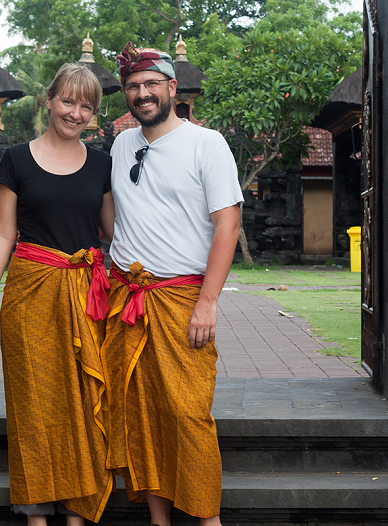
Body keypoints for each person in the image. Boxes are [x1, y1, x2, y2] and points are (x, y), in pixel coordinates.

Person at [103, 43, 243, 526]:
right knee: (140, 411)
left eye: (150, 85)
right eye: (132, 87)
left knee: (187, 413)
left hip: (181, 297)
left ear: (171, 88)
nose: (142, 94)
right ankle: (158, 520)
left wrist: (207, 303)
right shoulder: (121, 145)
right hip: (128, 298)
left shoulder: (208, 144)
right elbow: (113, 216)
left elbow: (228, 224)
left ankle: (207, 519)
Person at [0, 63, 115, 526]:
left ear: (94, 114)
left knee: (81, 398)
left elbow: (114, 231)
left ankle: (77, 511)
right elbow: (3, 232)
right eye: (68, 101)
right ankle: (37, 514)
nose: (75, 113)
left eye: (86, 106)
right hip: (30, 290)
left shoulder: (103, 163)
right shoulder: (16, 159)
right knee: (33, 401)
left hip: (85, 293)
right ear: (50, 100)